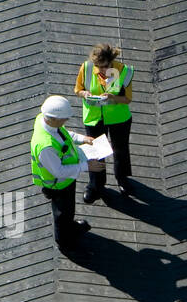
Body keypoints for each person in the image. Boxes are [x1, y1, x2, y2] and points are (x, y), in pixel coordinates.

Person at [29, 95, 105, 249]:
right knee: (62, 213)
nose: (65, 122)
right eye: (63, 119)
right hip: (59, 185)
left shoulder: (44, 121)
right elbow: (58, 172)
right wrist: (86, 166)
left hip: (66, 181)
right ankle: (64, 241)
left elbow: (63, 134)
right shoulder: (46, 147)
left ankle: (69, 227)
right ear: (53, 119)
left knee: (68, 211)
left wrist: (82, 139)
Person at [75, 43, 134, 203]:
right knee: (96, 152)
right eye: (98, 67)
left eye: (105, 66)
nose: (101, 70)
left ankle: (122, 179)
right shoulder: (86, 68)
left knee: (120, 149)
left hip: (118, 118)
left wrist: (113, 98)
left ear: (111, 62)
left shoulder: (123, 71)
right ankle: (96, 185)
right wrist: (84, 93)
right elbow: (77, 90)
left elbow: (127, 99)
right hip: (95, 118)